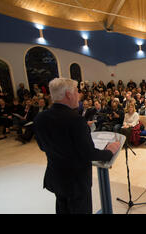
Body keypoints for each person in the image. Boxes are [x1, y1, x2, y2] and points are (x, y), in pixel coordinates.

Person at [33, 78, 120, 214]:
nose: (79, 95)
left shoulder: (40, 118)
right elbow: (89, 154)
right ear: (68, 94)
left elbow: (43, 147)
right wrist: (109, 151)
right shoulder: (76, 120)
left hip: (56, 177)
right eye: (77, 91)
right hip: (76, 182)